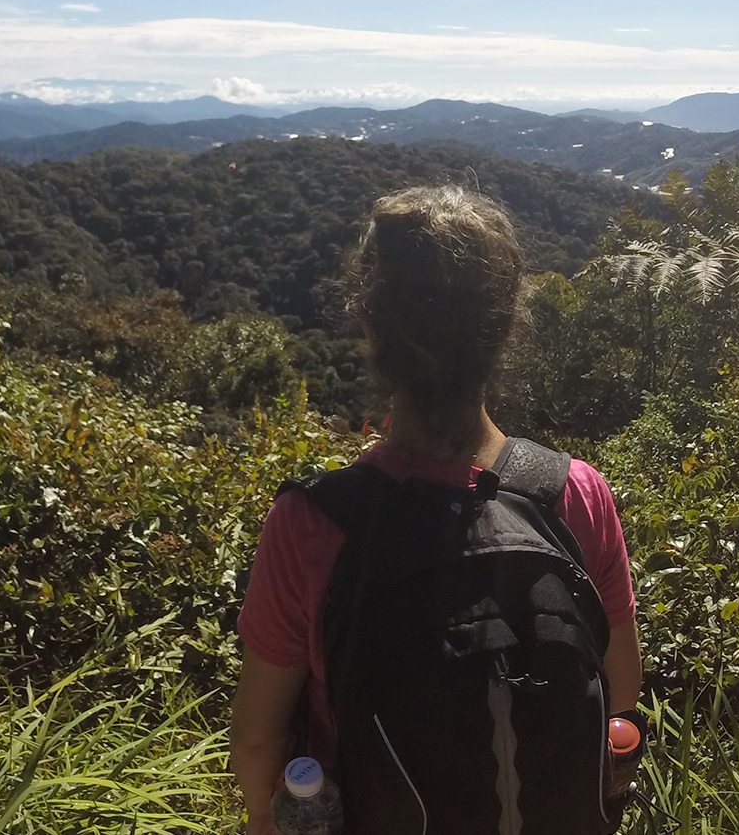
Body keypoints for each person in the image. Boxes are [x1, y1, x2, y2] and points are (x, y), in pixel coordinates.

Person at [231, 184, 642, 834]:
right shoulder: (575, 493)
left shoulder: (315, 524)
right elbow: (620, 692)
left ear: (369, 324)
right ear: (506, 327)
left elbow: (257, 746)